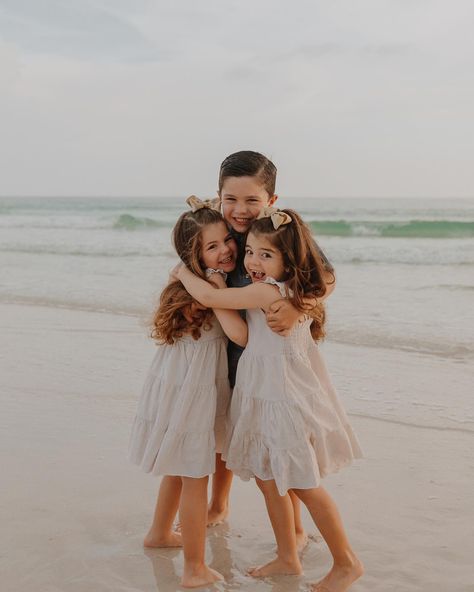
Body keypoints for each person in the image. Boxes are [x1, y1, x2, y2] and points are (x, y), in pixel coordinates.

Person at [175, 207, 363, 592]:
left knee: (302, 484)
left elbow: (213, 295)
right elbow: (240, 327)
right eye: (251, 252)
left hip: (282, 398)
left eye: (266, 255)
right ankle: (287, 557)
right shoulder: (291, 290)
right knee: (268, 478)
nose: (253, 261)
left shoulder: (270, 290)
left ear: (288, 260)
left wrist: (184, 273)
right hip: (263, 393)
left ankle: (347, 562)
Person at [208, 150, 335, 554]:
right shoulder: (213, 224)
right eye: (232, 199)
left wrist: (302, 304)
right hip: (226, 339)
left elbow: (324, 275)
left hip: (268, 353)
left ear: (271, 201)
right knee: (224, 425)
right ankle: (218, 504)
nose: (240, 210)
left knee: (278, 438)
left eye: (251, 200)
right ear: (218, 196)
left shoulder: (276, 232)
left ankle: (293, 527)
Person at [128, 197, 247, 589]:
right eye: (211, 247)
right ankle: (195, 567)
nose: (226, 249)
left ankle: (159, 533)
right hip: (193, 391)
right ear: (193, 256)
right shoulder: (210, 286)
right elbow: (239, 335)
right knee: (196, 474)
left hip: (176, 389)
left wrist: (185, 273)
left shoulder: (183, 283)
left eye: (226, 240)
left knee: (180, 470)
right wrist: (217, 289)